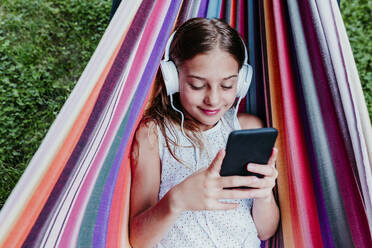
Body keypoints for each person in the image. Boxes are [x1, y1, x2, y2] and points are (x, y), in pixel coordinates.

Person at [129, 18, 279, 247]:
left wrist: (265, 194)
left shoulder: (247, 128)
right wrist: (177, 199)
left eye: (227, 85)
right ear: (172, 78)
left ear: (241, 83)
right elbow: (138, 240)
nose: (214, 99)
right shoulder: (154, 134)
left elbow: (265, 231)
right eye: (197, 85)